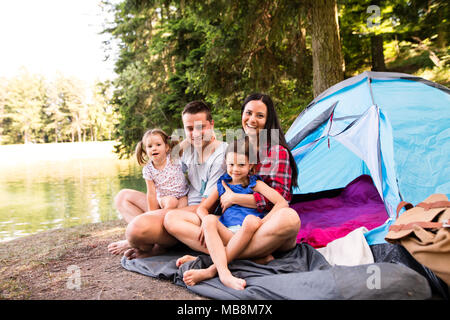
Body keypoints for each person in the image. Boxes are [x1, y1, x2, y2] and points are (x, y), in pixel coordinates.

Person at [164, 93, 300, 265]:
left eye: (260, 116)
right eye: (248, 113)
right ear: (242, 114)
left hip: (262, 225)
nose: (252, 119)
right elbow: (220, 189)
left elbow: (281, 201)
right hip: (231, 225)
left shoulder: (276, 151)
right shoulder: (239, 146)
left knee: (290, 217)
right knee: (171, 219)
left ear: (268, 120)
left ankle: (213, 260)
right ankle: (251, 255)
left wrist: (236, 198)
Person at [108, 101, 227, 258]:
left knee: (135, 230)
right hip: (175, 206)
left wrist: (164, 213)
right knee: (123, 198)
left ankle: (152, 241)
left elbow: (208, 206)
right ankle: (157, 241)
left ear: (211, 124)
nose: (196, 133)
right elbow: (165, 153)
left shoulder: (221, 156)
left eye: (201, 127)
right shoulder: (187, 149)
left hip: (194, 215)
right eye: (190, 128)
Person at [181, 137, 289, 290]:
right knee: (210, 220)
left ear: (250, 164)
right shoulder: (223, 183)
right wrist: (206, 224)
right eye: (231, 164)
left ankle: (213, 270)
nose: (235, 169)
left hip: (251, 233)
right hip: (228, 233)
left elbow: (282, 203)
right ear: (226, 163)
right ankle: (229, 267)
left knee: (251, 220)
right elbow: (201, 209)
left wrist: (263, 223)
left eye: (241, 164)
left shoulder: (255, 183)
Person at [135, 128, 189, 211]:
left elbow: (185, 144)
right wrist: (152, 213)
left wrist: (193, 136)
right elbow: (151, 193)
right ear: (146, 150)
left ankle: (169, 220)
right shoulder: (148, 169)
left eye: (158, 145)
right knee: (172, 201)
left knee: (183, 206)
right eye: (150, 146)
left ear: (166, 147)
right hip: (165, 199)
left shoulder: (172, 157)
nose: (154, 148)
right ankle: (160, 217)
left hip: (182, 195)